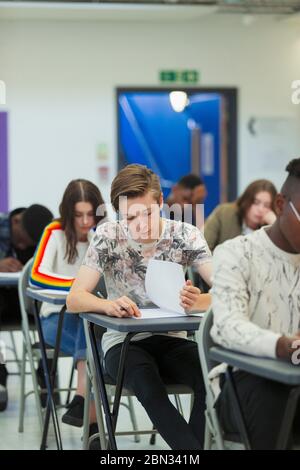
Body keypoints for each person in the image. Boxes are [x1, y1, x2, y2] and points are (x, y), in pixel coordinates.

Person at [67, 164, 212, 450]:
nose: (140, 224)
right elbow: (75, 298)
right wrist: (108, 305)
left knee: (210, 377)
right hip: (123, 345)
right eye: (130, 216)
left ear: (160, 203)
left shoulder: (186, 234)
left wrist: (201, 301)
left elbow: (229, 291)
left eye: (147, 213)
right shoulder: (108, 235)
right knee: (147, 382)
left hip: (172, 341)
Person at [208, 158, 300, 450]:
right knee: (274, 394)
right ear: (281, 205)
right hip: (244, 384)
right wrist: (282, 345)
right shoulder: (237, 254)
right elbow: (228, 327)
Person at [30, 179, 106, 446]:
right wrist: (79, 289)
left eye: (90, 214)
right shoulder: (54, 231)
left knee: (91, 324)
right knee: (92, 337)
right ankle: (94, 425)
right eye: (78, 215)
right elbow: (36, 276)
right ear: (68, 212)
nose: (86, 221)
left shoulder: (102, 237)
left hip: (86, 321)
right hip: (54, 320)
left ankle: (82, 402)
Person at [0, 204, 53, 411]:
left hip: (32, 305)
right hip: (3, 305)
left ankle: (47, 377)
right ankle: (0, 373)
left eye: (28, 244)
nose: (22, 246)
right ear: (15, 221)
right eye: (20, 240)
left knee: (51, 314)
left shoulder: (45, 233)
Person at [204, 179, 277, 252]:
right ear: (246, 200)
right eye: (256, 203)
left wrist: (274, 224)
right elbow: (202, 251)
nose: (260, 209)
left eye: (267, 205)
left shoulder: (269, 228)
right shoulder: (224, 213)